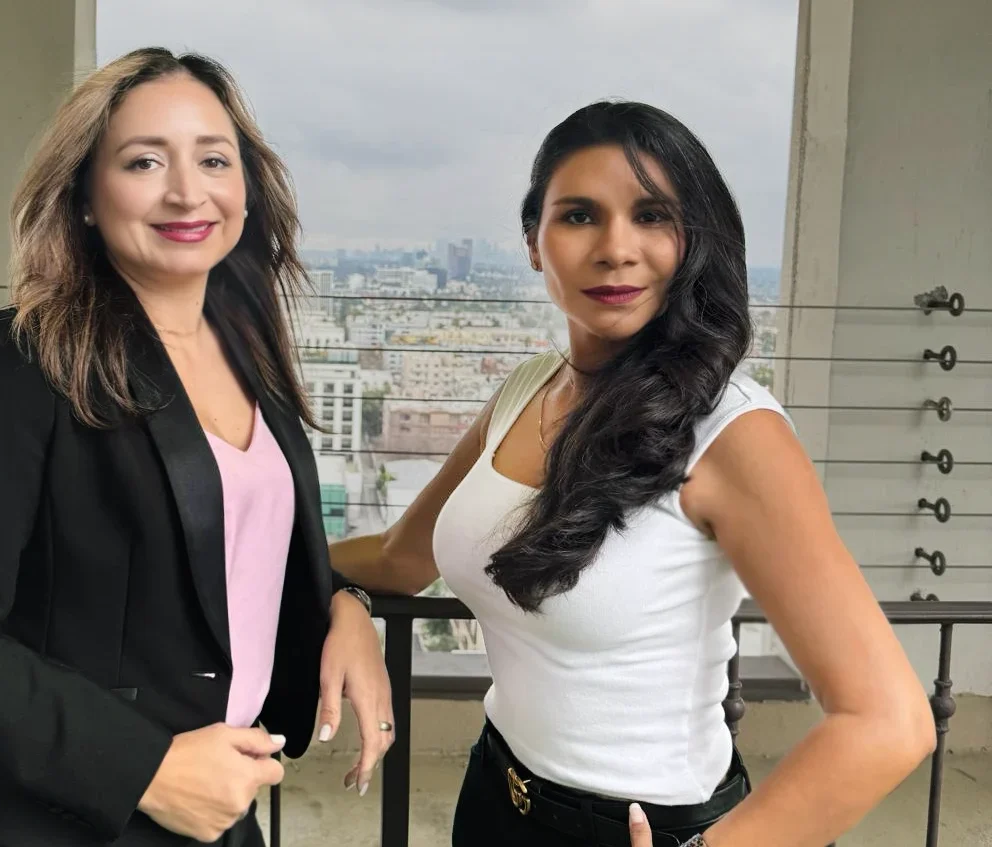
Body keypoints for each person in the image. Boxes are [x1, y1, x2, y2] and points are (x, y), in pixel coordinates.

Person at [330, 101, 935, 847]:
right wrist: (334, 591)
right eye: (580, 216)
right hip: (494, 795)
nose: (616, 248)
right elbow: (399, 557)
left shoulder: (734, 433)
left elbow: (889, 721)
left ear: (694, 240)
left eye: (652, 216)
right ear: (532, 242)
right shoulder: (527, 388)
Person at [0, 48, 394, 847]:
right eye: (144, 161)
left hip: (219, 815)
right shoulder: (22, 359)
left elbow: (236, 550)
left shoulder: (251, 355)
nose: (187, 190)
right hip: (59, 822)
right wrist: (142, 767)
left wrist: (344, 602)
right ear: (82, 194)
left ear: (246, 185)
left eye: (214, 158)